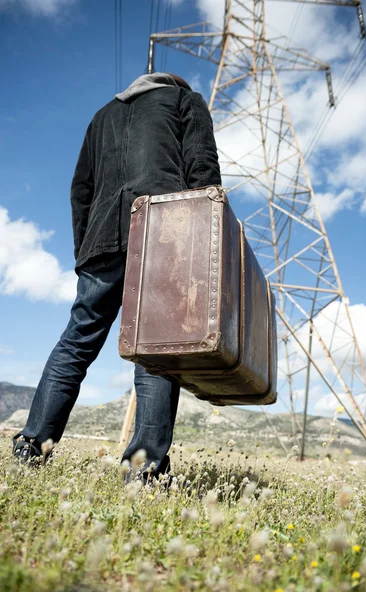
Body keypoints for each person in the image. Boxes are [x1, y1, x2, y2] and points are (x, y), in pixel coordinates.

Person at [12, 72, 221, 479]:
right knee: (155, 351)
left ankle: (31, 447)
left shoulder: (101, 116)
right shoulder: (184, 100)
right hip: (164, 232)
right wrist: (207, 244)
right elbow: (202, 167)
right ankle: (142, 471)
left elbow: (81, 190)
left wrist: (84, 249)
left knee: (76, 342)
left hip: (100, 241)